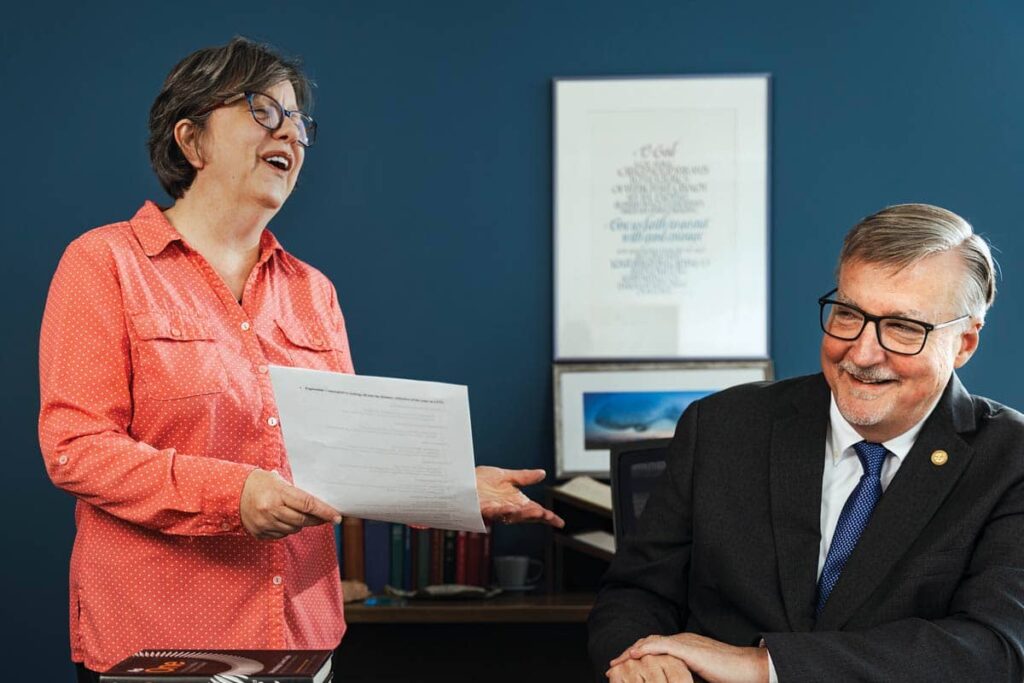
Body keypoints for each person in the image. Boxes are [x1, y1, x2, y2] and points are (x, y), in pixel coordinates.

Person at [38, 37, 563, 682]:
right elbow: (76, 447)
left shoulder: (314, 292)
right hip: (160, 641)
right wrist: (236, 494)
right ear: (191, 140)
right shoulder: (104, 263)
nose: (289, 131)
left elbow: (344, 460)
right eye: (263, 110)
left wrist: (452, 490)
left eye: (298, 121)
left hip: (302, 637)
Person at [589, 203, 1024, 682]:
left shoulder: (1009, 459)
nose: (861, 352)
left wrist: (765, 667)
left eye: (902, 327)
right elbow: (636, 595)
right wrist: (646, 660)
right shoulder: (721, 426)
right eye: (847, 314)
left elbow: (993, 648)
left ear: (964, 342)